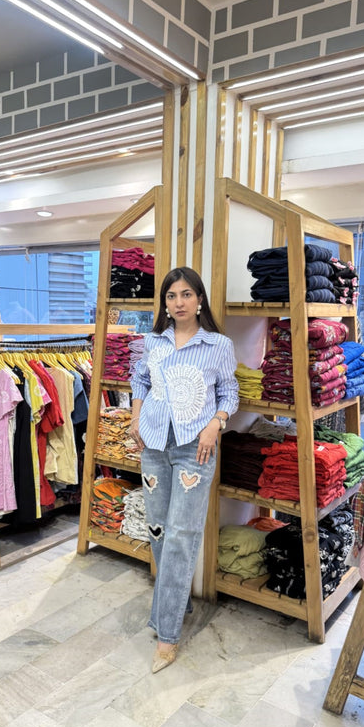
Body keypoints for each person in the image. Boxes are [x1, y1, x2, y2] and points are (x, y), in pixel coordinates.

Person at [129, 266, 239, 673]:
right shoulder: (152, 342)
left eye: (186, 295)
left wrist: (216, 423)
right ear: (164, 303)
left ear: (200, 299)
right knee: (158, 530)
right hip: (154, 444)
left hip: (197, 449)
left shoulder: (218, 345)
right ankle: (177, 603)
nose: (178, 303)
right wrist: (135, 419)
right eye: (171, 296)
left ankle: (167, 633)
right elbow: (138, 380)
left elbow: (230, 391)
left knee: (181, 535)